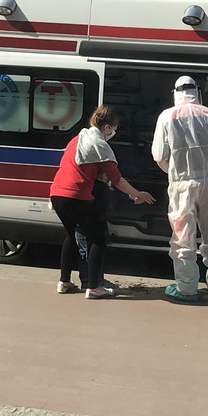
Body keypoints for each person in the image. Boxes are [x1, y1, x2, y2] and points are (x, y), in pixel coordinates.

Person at [50, 105, 155, 299]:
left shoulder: (77, 139)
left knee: (71, 236)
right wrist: (137, 194)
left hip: (57, 195)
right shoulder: (100, 145)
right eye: (113, 128)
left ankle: (64, 282)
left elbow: (79, 167)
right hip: (77, 196)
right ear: (107, 127)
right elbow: (117, 179)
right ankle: (94, 287)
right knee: (99, 237)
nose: (113, 132)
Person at [151, 76, 208, 302]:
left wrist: (174, 172)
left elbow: (158, 155)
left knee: (183, 237)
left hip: (183, 185)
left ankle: (187, 288)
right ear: (197, 92)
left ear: (175, 92)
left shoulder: (167, 117)